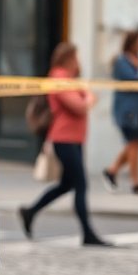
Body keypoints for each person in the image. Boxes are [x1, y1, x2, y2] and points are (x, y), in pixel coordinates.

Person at [18, 43, 111, 246]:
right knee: (81, 184)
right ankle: (87, 233)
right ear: (68, 58)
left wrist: (87, 97)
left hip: (75, 139)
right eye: (76, 57)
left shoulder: (70, 79)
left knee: (67, 184)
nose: (78, 62)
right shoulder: (58, 78)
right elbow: (79, 105)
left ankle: (30, 211)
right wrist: (87, 98)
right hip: (64, 138)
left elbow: (87, 98)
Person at [103, 30, 138, 195]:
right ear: (133, 42)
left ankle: (111, 171)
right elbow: (133, 79)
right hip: (128, 108)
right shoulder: (121, 60)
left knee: (135, 143)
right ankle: (135, 182)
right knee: (133, 144)